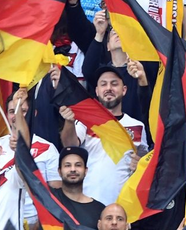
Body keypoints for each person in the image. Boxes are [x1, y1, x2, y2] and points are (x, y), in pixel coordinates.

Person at [59, 65, 146, 205]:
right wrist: (69, 122)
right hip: (90, 201)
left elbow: (144, 161)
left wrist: (140, 163)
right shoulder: (86, 121)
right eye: (103, 84)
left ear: (124, 90)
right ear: (97, 91)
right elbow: (70, 145)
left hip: (124, 206)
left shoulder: (138, 126)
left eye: (114, 84)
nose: (109, 88)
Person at [0, 90, 61, 188]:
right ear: (7, 115)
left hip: (33, 203)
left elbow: (57, 189)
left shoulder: (48, 148)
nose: (17, 115)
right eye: (12, 111)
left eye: (23, 111)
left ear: (33, 113)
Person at [54, 146, 106, 228]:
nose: (73, 169)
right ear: (59, 171)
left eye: (78, 165)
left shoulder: (99, 209)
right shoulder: (49, 198)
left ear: (85, 171)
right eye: (67, 165)